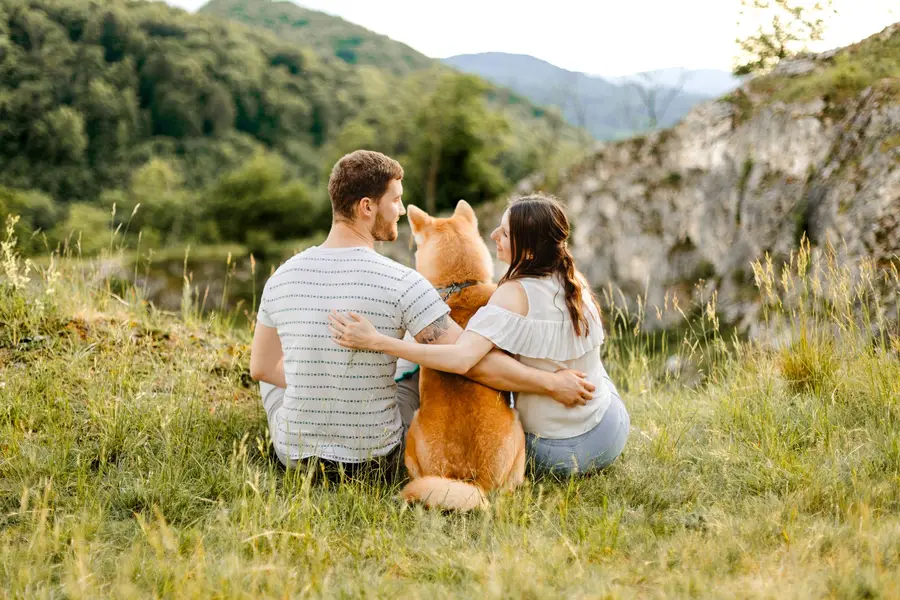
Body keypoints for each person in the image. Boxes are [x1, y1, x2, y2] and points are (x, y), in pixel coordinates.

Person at [249, 151, 596, 470]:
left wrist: (320, 378)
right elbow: (471, 362)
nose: (401, 210)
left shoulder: (282, 276)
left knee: (274, 380)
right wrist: (550, 383)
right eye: (396, 200)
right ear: (367, 207)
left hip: (294, 458)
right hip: (374, 461)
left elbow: (261, 367)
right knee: (413, 368)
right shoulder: (404, 282)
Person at [329, 193, 629, 476]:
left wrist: (377, 341)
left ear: (527, 249)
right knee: (599, 377)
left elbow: (462, 360)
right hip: (609, 431)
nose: (493, 236)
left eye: (505, 233)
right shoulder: (574, 279)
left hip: (556, 453)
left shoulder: (510, 294)